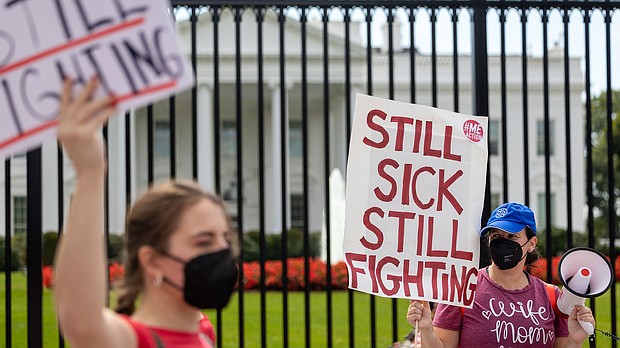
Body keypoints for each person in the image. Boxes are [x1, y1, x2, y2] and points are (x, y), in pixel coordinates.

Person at [53, 76, 239, 348]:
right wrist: (90, 174)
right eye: (203, 241)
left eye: (225, 237)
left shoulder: (202, 333)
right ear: (151, 261)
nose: (223, 251)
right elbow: (80, 320)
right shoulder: (134, 341)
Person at [406, 202, 595, 348]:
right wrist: (426, 329)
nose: (502, 243)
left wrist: (575, 342)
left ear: (531, 243)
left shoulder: (552, 297)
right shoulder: (463, 288)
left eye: (511, 236)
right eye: (495, 236)